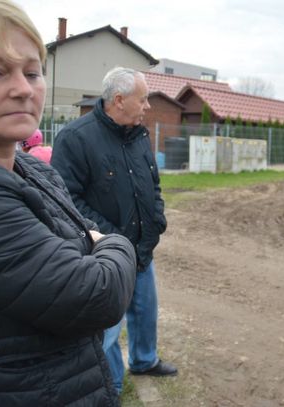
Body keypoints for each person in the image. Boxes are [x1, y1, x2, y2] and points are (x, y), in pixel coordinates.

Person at [0, 1, 138, 405]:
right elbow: (97, 294)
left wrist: (100, 246)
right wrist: (114, 242)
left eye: (33, 71)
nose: (22, 87)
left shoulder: (31, 168)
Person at [51, 66, 177, 393]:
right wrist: (112, 239)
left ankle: (144, 360)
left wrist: (157, 219)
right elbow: (67, 201)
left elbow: (153, 185)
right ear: (119, 100)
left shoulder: (139, 136)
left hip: (142, 250)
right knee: (108, 328)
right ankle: (112, 388)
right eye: (144, 99)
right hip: (102, 256)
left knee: (145, 311)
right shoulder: (76, 138)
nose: (148, 106)